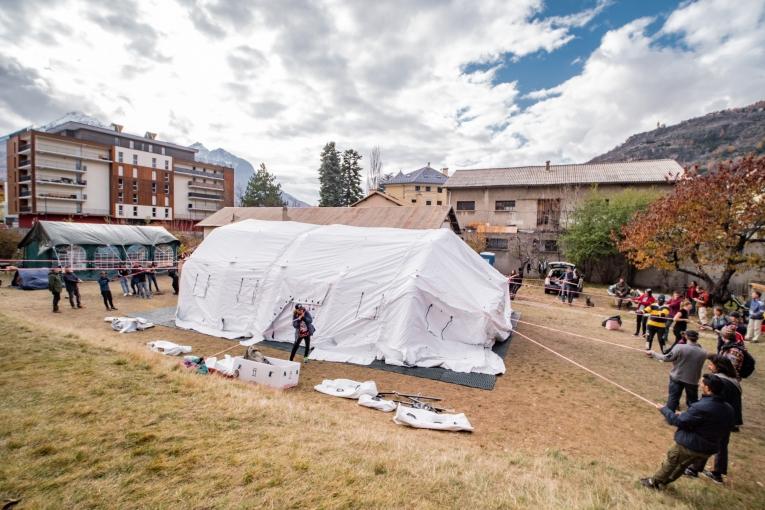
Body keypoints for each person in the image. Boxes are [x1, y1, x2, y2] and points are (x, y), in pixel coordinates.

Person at [640, 374, 734, 491]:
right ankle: (664, 482)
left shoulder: (701, 407)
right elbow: (707, 421)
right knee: (682, 465)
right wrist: (686, 414)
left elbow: (679, 422)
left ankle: (653, 482)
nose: (700, 385)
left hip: (691, 445)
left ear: (708, 389)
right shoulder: (728, 408)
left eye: (702, 384)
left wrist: (664, 410)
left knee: (672, 460)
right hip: (708, 449)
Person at [685, 355, 743, 484]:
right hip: (729, 417)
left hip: (718, 417)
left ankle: (694, 469)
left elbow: (713, 401)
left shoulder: (720, 381)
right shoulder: (733, 379)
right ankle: (716, 473)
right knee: (721, 444)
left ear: (719, 366)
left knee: (706, 441)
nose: (709, 366)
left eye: (711, 364)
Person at [647, 330, 707, 411]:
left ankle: (670, 414)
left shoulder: (680, 347)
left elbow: (666, 358)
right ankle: (693, 415)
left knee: (673, 397)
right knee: (692, 400)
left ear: (686, 337)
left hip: (677, 377)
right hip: (692, 380)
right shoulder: (703, 352)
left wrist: (653, 353)